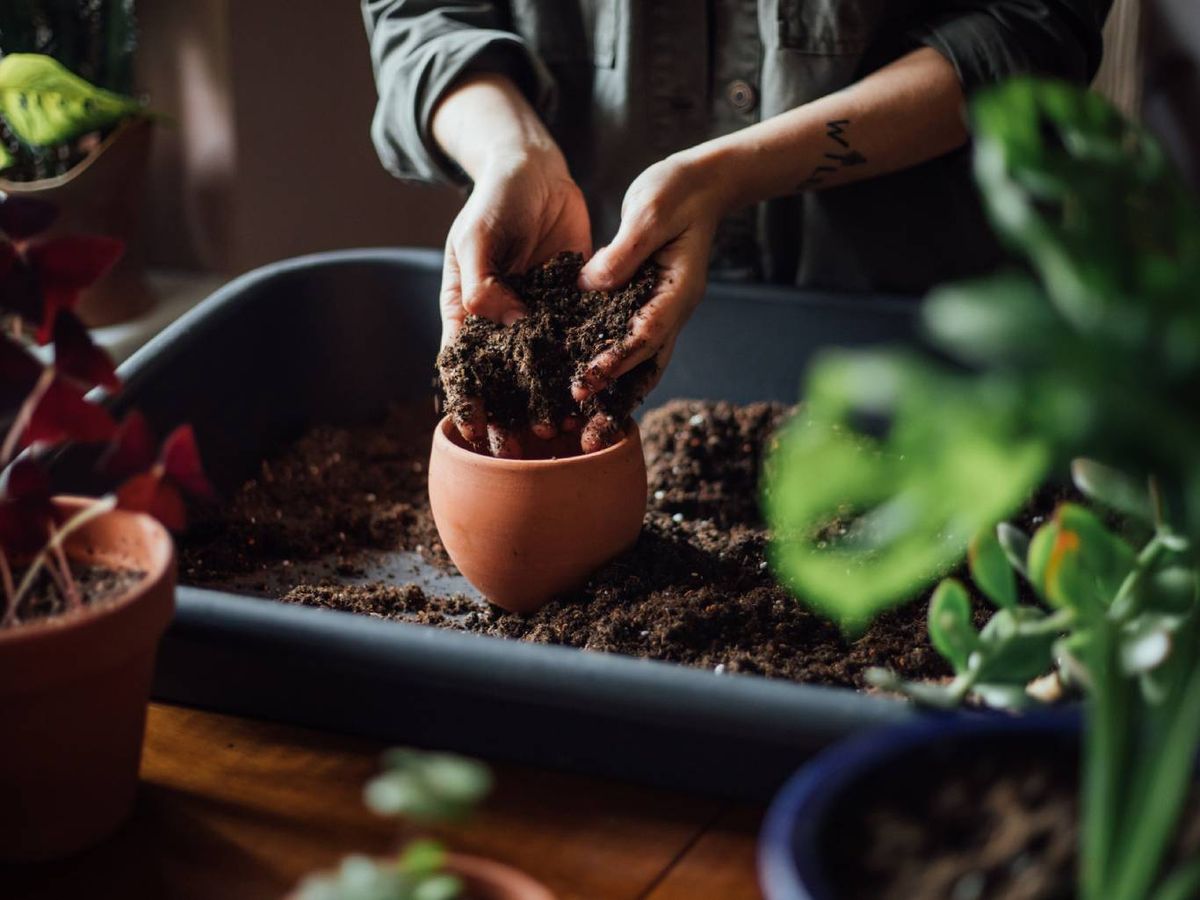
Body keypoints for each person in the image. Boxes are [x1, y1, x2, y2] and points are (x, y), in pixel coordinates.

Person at [362, 0, 1109, 456]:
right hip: (592, 259)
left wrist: (729, 175)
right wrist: (511, 151)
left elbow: (1031, 27)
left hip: (919, 334)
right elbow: (420, 13)